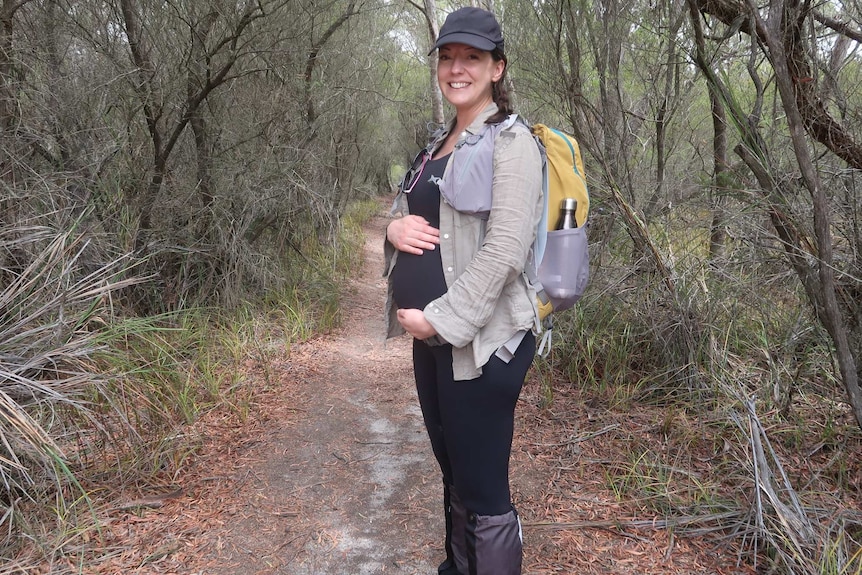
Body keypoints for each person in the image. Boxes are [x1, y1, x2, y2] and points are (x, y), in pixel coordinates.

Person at [383, 7, 543, 575]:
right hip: (434, 344)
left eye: (472, 58)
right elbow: (408, 213)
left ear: (497, 68)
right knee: (454, 472)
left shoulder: (512, 143)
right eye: (448, 57)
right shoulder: (438, 143)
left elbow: (505, 250)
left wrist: (441, 320)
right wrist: (392, 228)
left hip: (481, 343)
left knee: (482, 487)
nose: (457, 68)